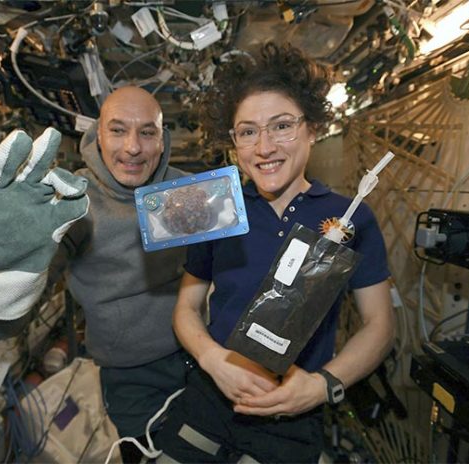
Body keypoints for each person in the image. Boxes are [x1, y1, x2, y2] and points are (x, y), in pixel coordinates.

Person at [154, 42, 395, 463]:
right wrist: (213, 360)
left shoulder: (349, 216)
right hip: (210, 397)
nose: (264, 147)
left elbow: (379, 325)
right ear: (234, 141)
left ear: (313, 128)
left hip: (293, 412)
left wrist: (322, 385)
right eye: (248, 131)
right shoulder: (217, 207)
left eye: (281, 126)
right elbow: (186, 308)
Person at [0, 86, 189, 462]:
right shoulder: (71, 202)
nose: (132, 147)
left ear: (162, 140)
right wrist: (12, 263)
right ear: (96, 136)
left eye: (147, 132)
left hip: (204, 355)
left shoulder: (186, 189)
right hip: (131, 377)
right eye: (118, 129)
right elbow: (0, 328)